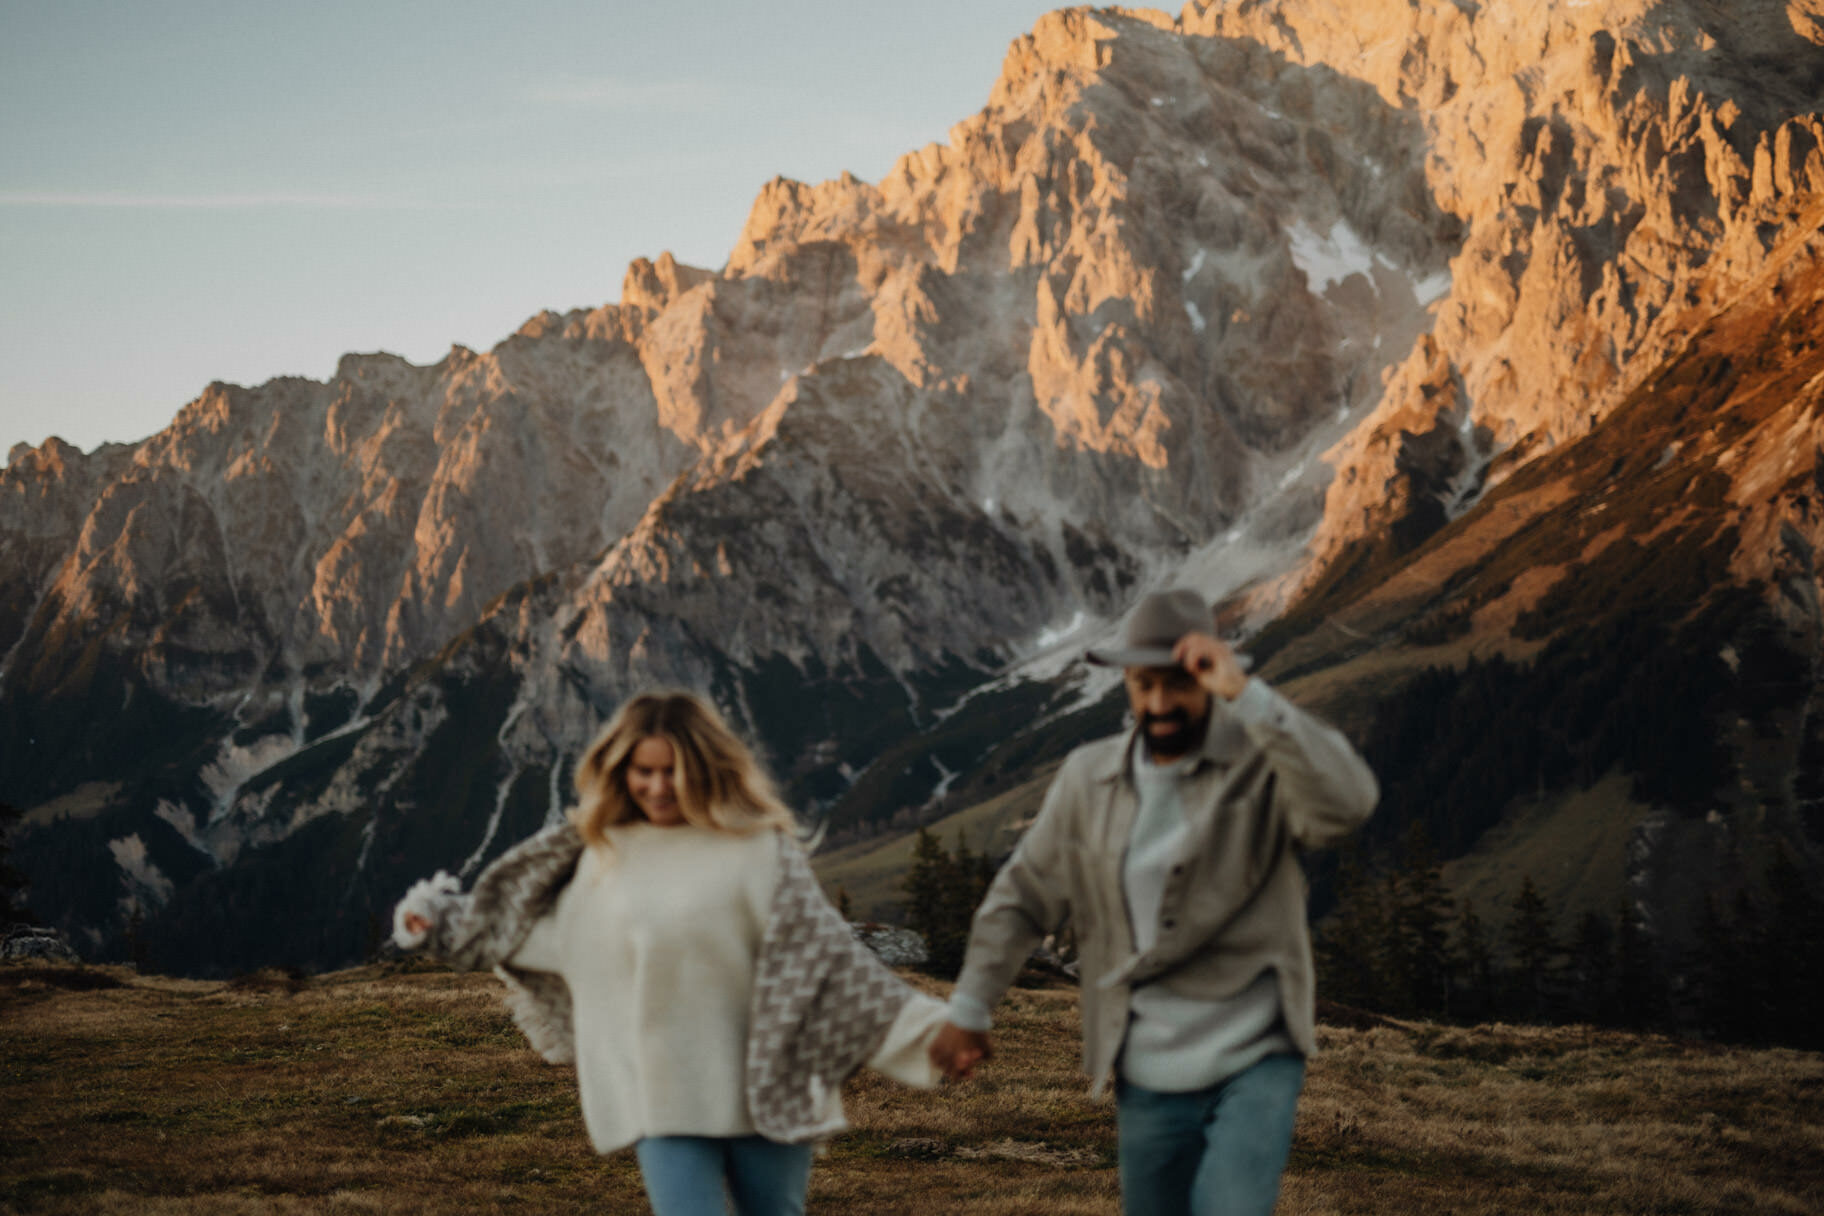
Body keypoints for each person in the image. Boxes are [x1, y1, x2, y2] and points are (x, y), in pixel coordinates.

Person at [393, 690, 947, 1216]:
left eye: (673, 770)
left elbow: (829, 957)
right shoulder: (600, 855)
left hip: (767, 1083)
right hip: (661, 1091)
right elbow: (537, 929)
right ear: (621, 772)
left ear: (705, 767)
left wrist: (931, 1030)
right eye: (644, 771)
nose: (659, 786)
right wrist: (439, 921)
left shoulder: (758, 849)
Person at [928, 588, 1378, 1216]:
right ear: (1128, 686)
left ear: (1207, 678)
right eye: (1144, 685)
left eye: (1178, 684)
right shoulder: (1088, 779)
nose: (1160, 703)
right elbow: (1021, 896)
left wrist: (1247, 695)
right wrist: (971, 1007)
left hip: (1256, 1053)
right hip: (1144, 1064)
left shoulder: (1260, 762)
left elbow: (1349, 802)